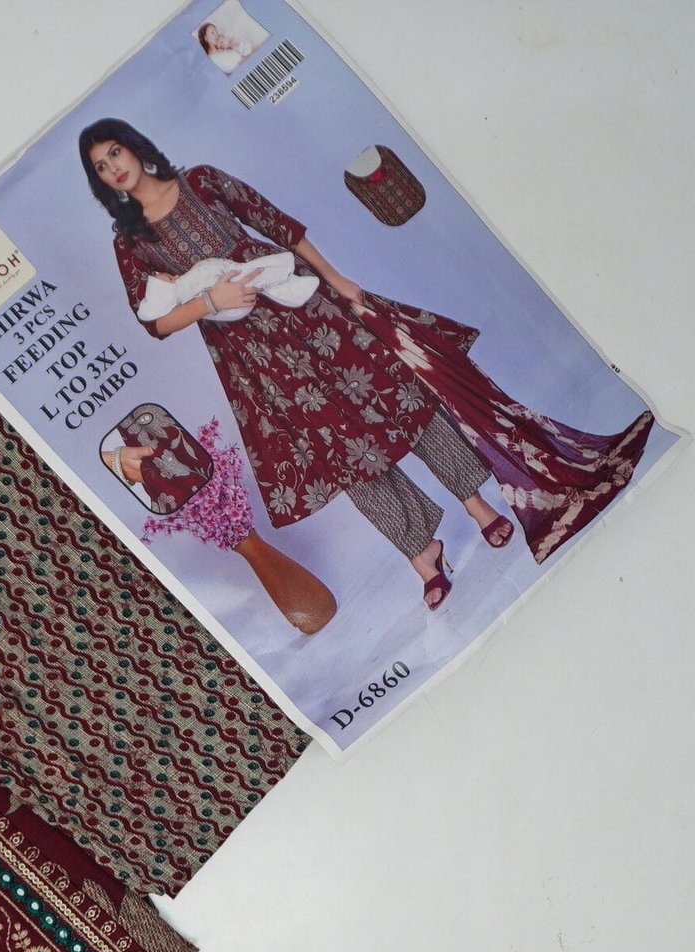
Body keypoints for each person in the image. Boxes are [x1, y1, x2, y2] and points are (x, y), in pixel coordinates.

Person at [80, 117, 521, 610]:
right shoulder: (131, 242)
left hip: (308, 311)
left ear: (134, 147)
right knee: (337, 443)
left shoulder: (202, 181)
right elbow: (155, 323)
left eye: (115, 152)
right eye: (100, 166)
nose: (113, 168)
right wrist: (210, 300)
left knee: (393, 397)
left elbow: (278, 225)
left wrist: (337, 279)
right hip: (253, 355)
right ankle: (421, 551)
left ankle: (475, 502)